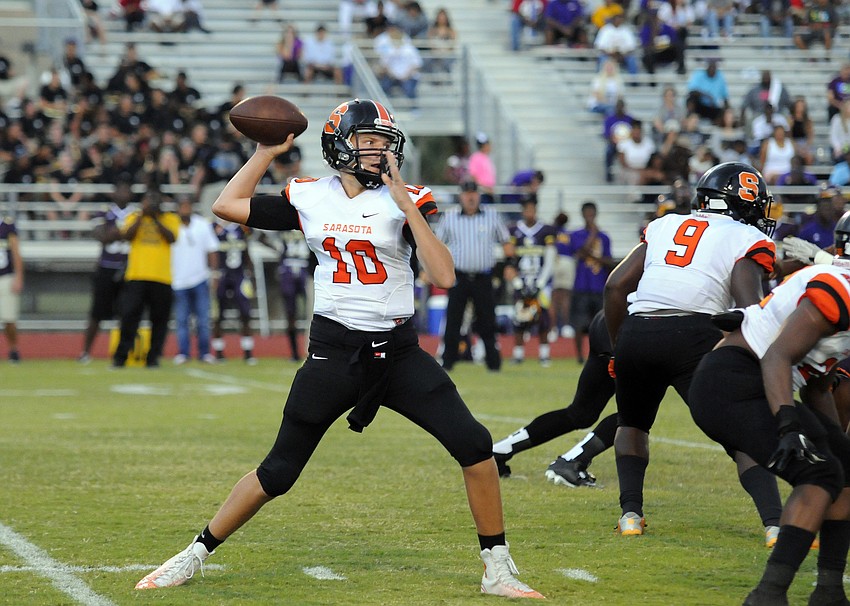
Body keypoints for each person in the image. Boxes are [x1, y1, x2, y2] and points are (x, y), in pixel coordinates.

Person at [134, 98, 545, 599]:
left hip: (397, 352)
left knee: (475, 445)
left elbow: (443, 275)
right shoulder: (310, 196)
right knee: (278, 472)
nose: (378, 150)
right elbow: (226, 206)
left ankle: (497, 569)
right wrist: (265, 151)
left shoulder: (410, 197)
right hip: (333, 351)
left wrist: (407, 207)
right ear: (339, 146)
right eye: (367, 140)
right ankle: (192, 554)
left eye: (384, 141)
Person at [605, 162, 777, 536]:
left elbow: (615, 286)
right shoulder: (744, 237)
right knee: (739, 430)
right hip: (695, 333)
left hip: (638, 329)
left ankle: (630, 516)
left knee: (632, 423)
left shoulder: (665, 224)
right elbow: (750, 306)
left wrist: (620, 349)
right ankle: (775, 523)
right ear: (742, 203)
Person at [688, 214, 850, 605]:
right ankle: (768, 595)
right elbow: (777, 355)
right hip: (734, 381)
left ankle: (828, 591)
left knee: (843, 468)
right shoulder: (841, 287)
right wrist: (789, 424)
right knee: (819, 474)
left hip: (755, 380)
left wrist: (835, 444)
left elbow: (816, 384)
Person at [436, 179, 513, 372]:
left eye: (473, 193)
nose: (470, 197)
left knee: (488, 320)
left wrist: (510, 265)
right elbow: (437, 244)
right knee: (453, 320)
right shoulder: (450, 217)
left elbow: (506, 242)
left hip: (483, 276)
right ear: (461, 195)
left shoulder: (491, 216)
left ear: (478, 195)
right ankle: (448, 361)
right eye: (467, 193)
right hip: (458, 276)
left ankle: (493, 363)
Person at [111, 189, 180, 369]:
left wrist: (156, 218)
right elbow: (127, 236)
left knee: (159, 320)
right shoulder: (135, 217)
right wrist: (143, 215)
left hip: (162, 277)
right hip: (137, 276)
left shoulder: (170, 219)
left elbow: (172, 238)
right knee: (128, 318)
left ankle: (154, 358)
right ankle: (120, 357)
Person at [78, 180, 135, 363]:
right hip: (106, 268)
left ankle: (124, 353)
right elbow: (101, 236)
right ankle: (86, 352)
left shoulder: (136, 213)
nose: (124, 193)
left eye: (127, 190)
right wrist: (123, 231)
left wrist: (116, 232)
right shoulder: (104, 211)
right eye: (121, 189)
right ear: (113, 193)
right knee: (96, 313)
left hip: (130, 268)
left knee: (128, 313)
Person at [505, 198, 558, 366]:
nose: (530, 213)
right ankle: (519, 353)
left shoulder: (546, 230)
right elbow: (510, 258)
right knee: (519, 318)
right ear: (522, 211)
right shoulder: (514, 230)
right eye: (527, 209)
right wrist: (517, 283)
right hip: (521, 280)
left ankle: (544, 354)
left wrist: (541, 283)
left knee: (542, 319)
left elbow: (550, 259)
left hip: (539, 281)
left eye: (532, 209)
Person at [559, 201, 613, 363]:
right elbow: (580, 254)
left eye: (592, 214)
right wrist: (592, 235)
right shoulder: (576, 235)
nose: (590, 217)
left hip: (598, 286)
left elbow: (609, 261)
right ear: (583, 215)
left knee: (601, 324)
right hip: (581, 285)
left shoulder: (604, 238)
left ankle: (602, 354)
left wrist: (597, 258)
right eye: (587, 214)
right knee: (579, 323)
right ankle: (579, 356)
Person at [171, 197, 219, 365]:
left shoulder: (202, 224)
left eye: (187, 206)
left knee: (203, 320)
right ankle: (183, 352)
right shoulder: (171, 226)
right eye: (182, 206)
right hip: (177, 279)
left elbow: (212, 250)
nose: (185, 209)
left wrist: (214, 274)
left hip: (200, 278)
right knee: (182, 320)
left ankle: (204, 352)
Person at [211, 219, 257, 364]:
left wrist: (251, 274)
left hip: (239, 275)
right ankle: (218, 352)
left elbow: (247, 249)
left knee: (245, 313)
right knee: (218, 314)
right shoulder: (213, 227)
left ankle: (248, 351)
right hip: (221, 274)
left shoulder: (242, 228)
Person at [0, 213, 23, 363]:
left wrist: (19, 276)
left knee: (9, 318)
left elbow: (16, 252)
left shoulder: (7, 225)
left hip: (5, 276)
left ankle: (13, 349)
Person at [686, 58, 729, 124]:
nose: (712, 70)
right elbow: (692, 91)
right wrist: (707, 96)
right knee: (691, 99)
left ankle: (716, 125)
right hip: (699, 105)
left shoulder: (720, 77)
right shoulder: (699, 74)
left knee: (724, 110)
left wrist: (727, 110)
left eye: (714, 68)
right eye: (711, 68)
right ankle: (690, 119)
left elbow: (725, 97)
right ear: (707, 68)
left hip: (712, 107)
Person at [468, 132, 497, 203]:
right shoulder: (476, 157)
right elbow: (473, 176)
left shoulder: (486, 158)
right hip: (482, 193)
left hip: (488, 192)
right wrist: (484, 189)